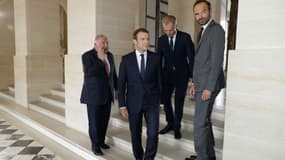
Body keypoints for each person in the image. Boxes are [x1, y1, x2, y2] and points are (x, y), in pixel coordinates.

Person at [185, 1, 226, 160]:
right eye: (196, 13)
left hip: (209, 84)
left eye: (203, 12)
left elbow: (216, 62)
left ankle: (203, 157)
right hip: (202, 83)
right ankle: (209, 155)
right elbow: (201, 61)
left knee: (199, 124)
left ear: (210, 11)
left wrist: (208, 88)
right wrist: (194, 83)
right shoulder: (203, 30)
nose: (200, 16)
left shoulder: (216, 31)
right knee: (204, 121)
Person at [118, 28, 161, 160]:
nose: (146, 42)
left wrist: (162, 101)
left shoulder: (156, 58)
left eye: (147, 38)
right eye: (142, 39)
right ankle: (138, 157)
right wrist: (122, 105)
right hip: (133, 102)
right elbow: (121, 84)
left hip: (152, 103)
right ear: (135, 42)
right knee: (135, 134)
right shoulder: (126, 60)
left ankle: (148, 158)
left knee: (153, 133)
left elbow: (160, 81)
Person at [157, 15, 195, 139]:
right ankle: (170, 123)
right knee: (166, 100)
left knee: (179, 102)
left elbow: (191, 58)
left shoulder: (185, 37)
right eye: (166, 31)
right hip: (167, 76)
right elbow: (158, 60)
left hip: (182, 75)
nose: (168, 33)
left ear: (175, 25)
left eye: (171, 30)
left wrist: (191, 77)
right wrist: (158, 77)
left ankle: (177, 127)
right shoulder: (161, 40)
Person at [80, 34, 117, 156]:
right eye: (103, 43)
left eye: (107, 43)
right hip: (93, 96)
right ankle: (95, 146)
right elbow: (90, 73)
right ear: (95, 44)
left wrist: (117, 90)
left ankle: (101, 141)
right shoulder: (87, 56)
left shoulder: (110, 56)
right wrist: (101, 60)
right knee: (94, 122)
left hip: (107, 95)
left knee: (104, 121)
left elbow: (113, 75)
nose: (105, 46)